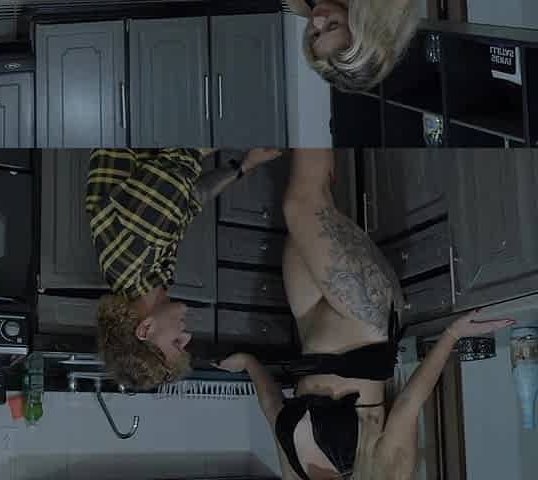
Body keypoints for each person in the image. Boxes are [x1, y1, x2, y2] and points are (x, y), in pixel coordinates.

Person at [215, 150, 515, 480]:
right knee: (301, 204)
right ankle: (314, 120)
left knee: (311, 205)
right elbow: (409, 403)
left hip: (308, 318)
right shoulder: (383, 475)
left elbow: (274, 409)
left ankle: (321, 141)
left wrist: (248, 363)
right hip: (364, 322)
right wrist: (452, 335)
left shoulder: (295, 477)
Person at [86, 148, 283, 391]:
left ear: (146, 329)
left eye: (176, 343)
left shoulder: (139, 249)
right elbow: (189, 202)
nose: (187, 336)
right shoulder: (143, 277)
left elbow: (188, 148)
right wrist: (243, 166)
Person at [285, 0, 419, 92]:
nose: (317, 21)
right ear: (360, 23)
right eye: (333, 25)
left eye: (315, 34)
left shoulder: (298, 5)